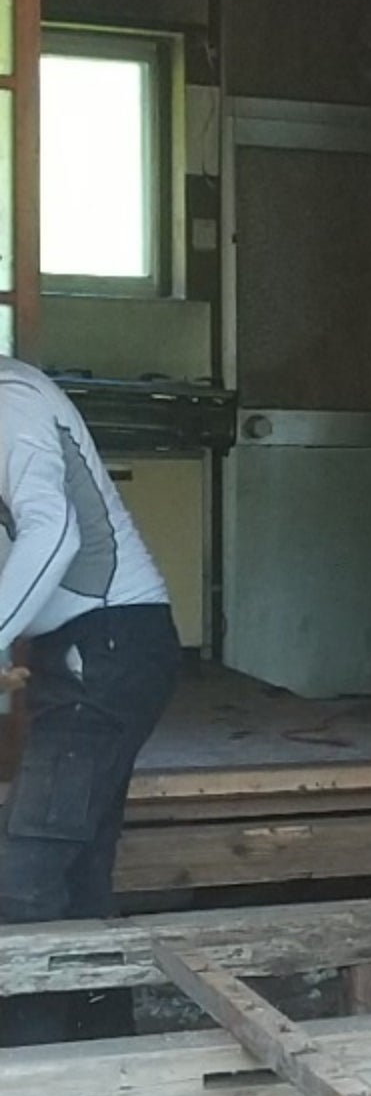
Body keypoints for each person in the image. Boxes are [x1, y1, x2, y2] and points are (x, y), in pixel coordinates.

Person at [0, 358, 181, 1046]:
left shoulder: (10, 400)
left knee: (25, 874)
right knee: (76, 870)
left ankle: (32, 1078)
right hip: (96, 649)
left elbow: (53, 531)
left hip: (105, 649)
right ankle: (103, 1056)